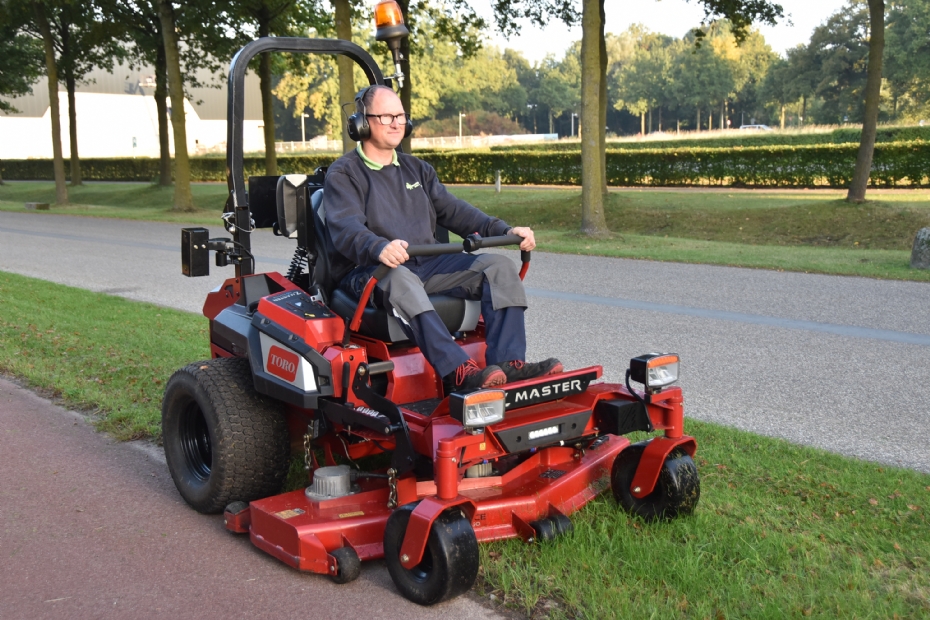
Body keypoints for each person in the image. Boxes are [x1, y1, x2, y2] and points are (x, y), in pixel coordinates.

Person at [322, 85, 562, 393]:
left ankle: (508, 364)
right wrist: (379, 246)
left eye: (400, 116)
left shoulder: (417, 169)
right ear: (362, 123)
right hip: (372, 271)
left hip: (427, 265)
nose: (396, 123)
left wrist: (505, 231)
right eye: (386, 117)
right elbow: (346, 228)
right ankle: (457, 371)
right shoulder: (344, 174)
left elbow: (457, 212)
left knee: (499, 267)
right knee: (400, 277)